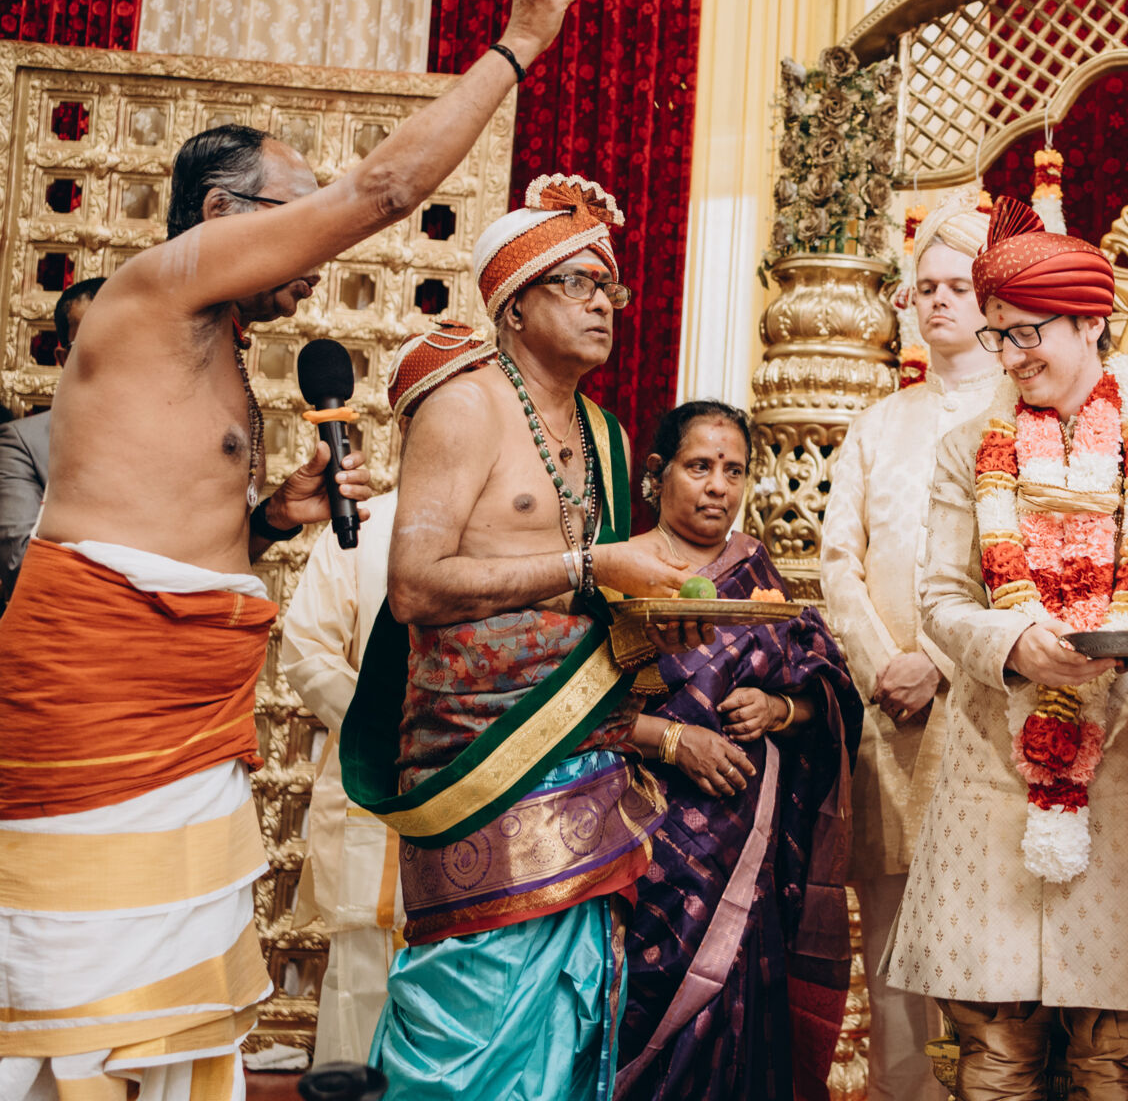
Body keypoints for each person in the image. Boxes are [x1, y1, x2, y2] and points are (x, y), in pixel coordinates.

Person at [0, 0, 599, 1101]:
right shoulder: (156, 284)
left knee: (167, 998)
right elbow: (381, 193)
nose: (316, 255)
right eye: (295, 208)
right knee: (82, 995)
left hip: (188, 711)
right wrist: (516, 46)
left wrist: (273, 518)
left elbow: (168, 524)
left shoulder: (211, 342)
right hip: (101, 693)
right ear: (222, 215)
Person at [349, 175, 698, 1100]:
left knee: (578, 997)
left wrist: (660, 617)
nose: (602, 305)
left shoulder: (607, 434)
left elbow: (594, 602)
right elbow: (415, 587)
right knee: (471, 1005)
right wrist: (590, 566)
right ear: (512, 306)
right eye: (576, 284)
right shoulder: (465, 408)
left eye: (609, 287)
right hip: (479, 757)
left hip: (583, 753)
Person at [879, 197, 1128, 1099]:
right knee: (992, 1057)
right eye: (997, 335)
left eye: (1028, 332)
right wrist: (1015, 642)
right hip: (993, 766)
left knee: (1117, 1060)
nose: (1010, 355)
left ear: (1090, 322)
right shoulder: (968, 450)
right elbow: (940, 598)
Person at [614, 400, 862, 1101]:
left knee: (741, 1029)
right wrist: (674, 739)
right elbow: (574, 715)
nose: (718, 486)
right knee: (640, 1010)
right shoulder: (622, 571)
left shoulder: (757, 572)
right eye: (699, 467)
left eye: (733, 470)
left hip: (748, 856)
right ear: (658, 474)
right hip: (643, 849)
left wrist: (780, 708)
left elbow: (830, 697)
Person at [818, 190, 1001, 1101]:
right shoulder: (878, 424)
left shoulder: (1023, 417)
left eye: (957, 287)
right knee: (891, 952)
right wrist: (882, 665)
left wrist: (940, 659)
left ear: (993, 299)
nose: (937, 302)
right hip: (887, 717)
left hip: (989, 716)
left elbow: (1023, 571)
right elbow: (837, 561)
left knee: (988, 943)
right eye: (925, 287)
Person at [279, 322, 498, 1065]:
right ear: (412, 428)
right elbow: (306, 649)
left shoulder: (520, 540)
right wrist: (392, 728)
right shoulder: (365, 530)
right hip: (376, 794)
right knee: (362, 996)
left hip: (483, 799)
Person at [0, 276, 102, 602]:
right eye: (93, 343)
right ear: (63, 359)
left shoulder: (177, 434)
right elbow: (23, 570)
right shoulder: (23, 444)